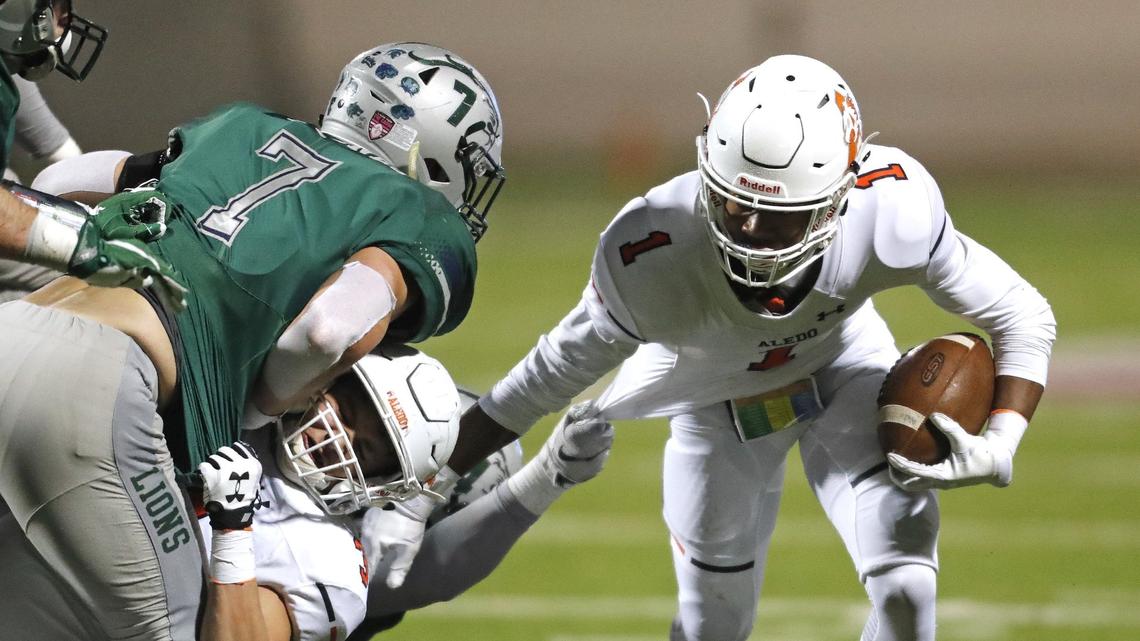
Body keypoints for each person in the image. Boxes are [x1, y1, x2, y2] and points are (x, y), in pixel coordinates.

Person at [370, 54, 1057, 641]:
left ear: (841, 197)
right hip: (716, 403)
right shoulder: (651, 251)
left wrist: (1002, 440)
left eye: (779, 213)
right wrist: (413, 496)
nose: (751, 230)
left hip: (847, 371)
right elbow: (538, 383)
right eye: (733, 204)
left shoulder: (894, 213)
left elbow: (1022, 314)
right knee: (712, 624)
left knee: (908, 595)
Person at [0, 41, 505, 641]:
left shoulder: (244, 126)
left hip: (18, 324)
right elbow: (329, 328)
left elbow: (58, 180)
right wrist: (257, 409)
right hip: (101, 383)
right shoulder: (416, 214)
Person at [0, 346, 614, 641]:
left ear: (391, 489)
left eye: (370, 447)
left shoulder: (333, 569)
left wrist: (235, 531)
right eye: (351, 406)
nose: (338, 435)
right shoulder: (258, 389)